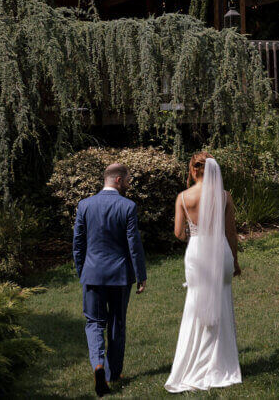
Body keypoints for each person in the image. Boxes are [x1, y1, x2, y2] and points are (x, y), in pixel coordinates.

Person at [164, 153, 242, 393]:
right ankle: (221, 364)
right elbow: (230, 234)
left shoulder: (183, 197)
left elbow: (178, 233)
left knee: (195, 305)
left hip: (197, 252)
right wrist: (236, 261)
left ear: (192, 170)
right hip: (220, 252)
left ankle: (192, 364)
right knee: (221, 304)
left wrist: (194, 236)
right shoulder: (224, 196)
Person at [73, 163, 148, 397]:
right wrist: (141, 275)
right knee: (117, 322)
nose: (129, 183)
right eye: (127, 179)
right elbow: (133, 245)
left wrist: (81, 271)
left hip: (92, 274)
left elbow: (78, 244)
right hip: (120, 276)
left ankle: (98, 365)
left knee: (95, 322)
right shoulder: (128, 206)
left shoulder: (84, 205)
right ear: (117, 180)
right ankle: (114, 373)